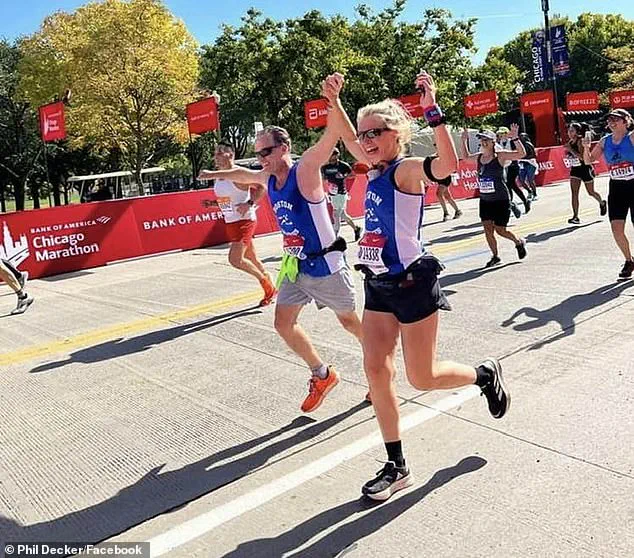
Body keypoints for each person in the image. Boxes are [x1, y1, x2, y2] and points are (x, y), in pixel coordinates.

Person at [327, 70, 511, 501]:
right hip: (378, 283)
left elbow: (447, 166)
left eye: (375, 132)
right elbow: (345, 134)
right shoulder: (372, 168)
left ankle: (484, 375)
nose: (366, 140)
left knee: (422, 377)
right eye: (364, 133)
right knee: (376, 370)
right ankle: (397, 465)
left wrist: (433, 110)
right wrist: (334, 101)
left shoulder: (405, 170)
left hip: (412, 282)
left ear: (396, 134)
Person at [199, 75, 362, 413]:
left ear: (284, 148)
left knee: (350, 323)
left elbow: (335, 134)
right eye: (258, 153)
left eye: (266, 151)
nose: (261, 158)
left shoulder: (306, 170)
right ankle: (322, 374)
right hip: (295, 266)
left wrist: (334, 101)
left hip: (326, 265)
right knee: (283, 324)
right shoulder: (268, 177)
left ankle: (382, 359)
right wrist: (215, 175)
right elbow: (242, 175)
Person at [208, 141, 277, 307]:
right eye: (215, 153)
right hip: (231, 221)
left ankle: (266, 284)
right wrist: (213, 204)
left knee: (235, 259)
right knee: (251, 258)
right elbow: (229, 200)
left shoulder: (239, 173)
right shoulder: (219, 176)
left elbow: (261, 187)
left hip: (244, 221)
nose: (216, 156)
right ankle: (271, 284)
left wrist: (249, 203)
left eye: (220, 153)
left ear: (230, 155)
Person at [461, 125, 527, 268]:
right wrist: (463, 140)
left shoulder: (500, 156)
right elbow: (465, 157)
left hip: (500, 200)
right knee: (487, 229)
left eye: (486, 140)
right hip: (485, 200)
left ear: (493, 142)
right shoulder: (479, 157)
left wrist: (515, 138)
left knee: (500, 230)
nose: (483, 142)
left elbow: (521, 154)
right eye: (482, 140)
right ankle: (495, 256)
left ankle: (518, 242)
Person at [583, 108, 634, 280]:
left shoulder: (632, 137)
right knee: (616, 228)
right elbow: (589, 160)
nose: (612, 123)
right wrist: (586, 147)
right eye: (610, 120)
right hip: (617, 187)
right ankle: (629, 260)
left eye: (616, 120)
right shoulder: (605, 141)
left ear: (626, 121)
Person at [566, 122, 607, 224]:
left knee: (591, 192)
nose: (569, 133)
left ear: (577, 132)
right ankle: (575, 216)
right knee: (574, 193)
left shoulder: (580, 141)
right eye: (569, 131)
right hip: (575, 169)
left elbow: (583, 158)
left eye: (572, 131)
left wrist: (570, 150)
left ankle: (602, 203)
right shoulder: (570, 142)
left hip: (585, 168)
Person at [321, 148, 362, 240]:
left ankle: (334, 237)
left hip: (341, 193)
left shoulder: (343, 165)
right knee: (342, 214)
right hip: (332, 193)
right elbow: (324, 178)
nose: (332, 157)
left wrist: (343, 176)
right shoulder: (325, 167)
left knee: (336, 214)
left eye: (334, 155)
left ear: (337, 155)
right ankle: (356, 229)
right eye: (330, 155)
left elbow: (352, 174)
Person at [497, 126, 530, 217]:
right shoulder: (498, 143)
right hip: (505, 167)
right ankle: (511, 205)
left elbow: (519, 152)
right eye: (499, 134)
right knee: (508, 186)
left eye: (502, 134)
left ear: (507, 134)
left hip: (513, 166)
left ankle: (524, 202)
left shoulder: (511, 142)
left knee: (511, 184)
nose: (500, 136)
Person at [518, 133, 539, 201]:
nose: (521, 138)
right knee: (521, 180)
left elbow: (533, 155)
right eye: (520, 136)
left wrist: (522, 157)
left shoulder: (528, 144)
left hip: (530, 163)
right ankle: (529, 192)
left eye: (522, 136)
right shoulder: (518, 145)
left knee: (530, 180)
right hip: (522, 164)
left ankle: (535, 194)